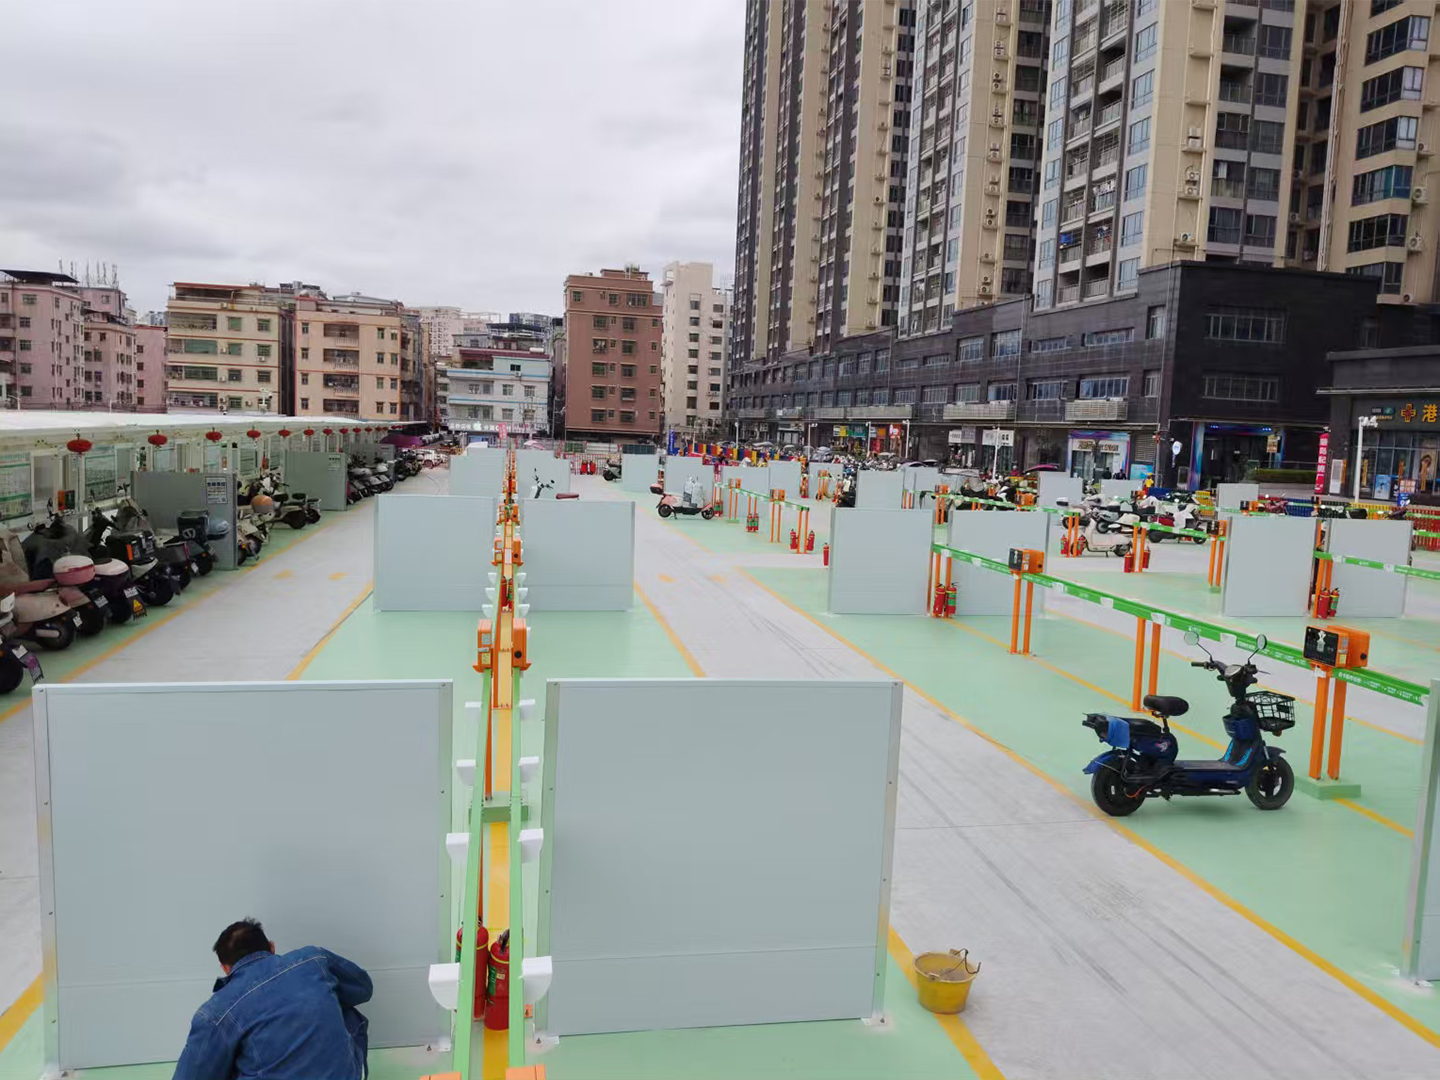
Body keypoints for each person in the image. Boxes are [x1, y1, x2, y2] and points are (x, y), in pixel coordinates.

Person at [173, 918, 372, 1080]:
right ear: (272, 947)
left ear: (225, 968)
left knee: (220, 1058)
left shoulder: (216, 1012)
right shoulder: (313, 959)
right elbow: (363, 989)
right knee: (345, 1011)